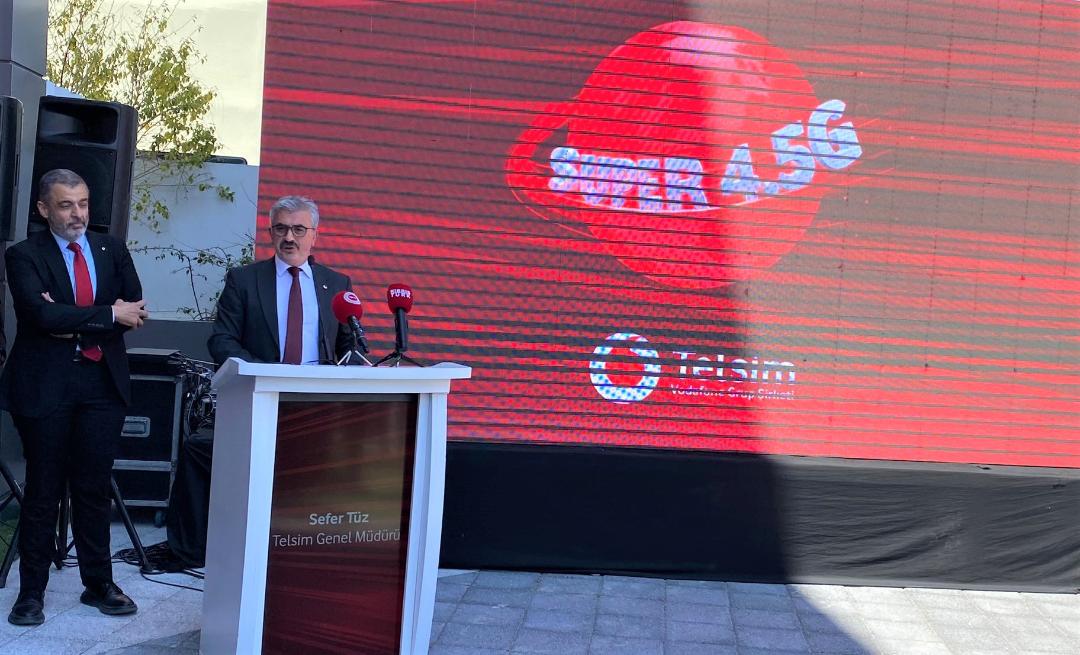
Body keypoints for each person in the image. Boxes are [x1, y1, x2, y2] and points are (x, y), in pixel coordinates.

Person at [0, 169, 148, 625]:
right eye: (65, 205)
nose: (77, 214)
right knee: (43, 489)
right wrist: (106, 314)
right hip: (46, 385)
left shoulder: (111, 249)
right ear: (44, 209)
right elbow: (40, 316)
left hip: (102, 384)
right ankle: (31, 594)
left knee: (93, 487)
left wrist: (72, 319)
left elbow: (135, 307)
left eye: (82, 203)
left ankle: (98, 584)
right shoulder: (24, 255)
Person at [208, 195, 352, 366]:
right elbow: (223, 340)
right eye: (281, 229)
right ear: (271, 234)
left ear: (314, 236)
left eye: (299, 229)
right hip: (260, 381)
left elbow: (351, 346)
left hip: (318, 382)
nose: (289, 238)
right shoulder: (243, 280)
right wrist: (262, 373)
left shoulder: (337, 285)